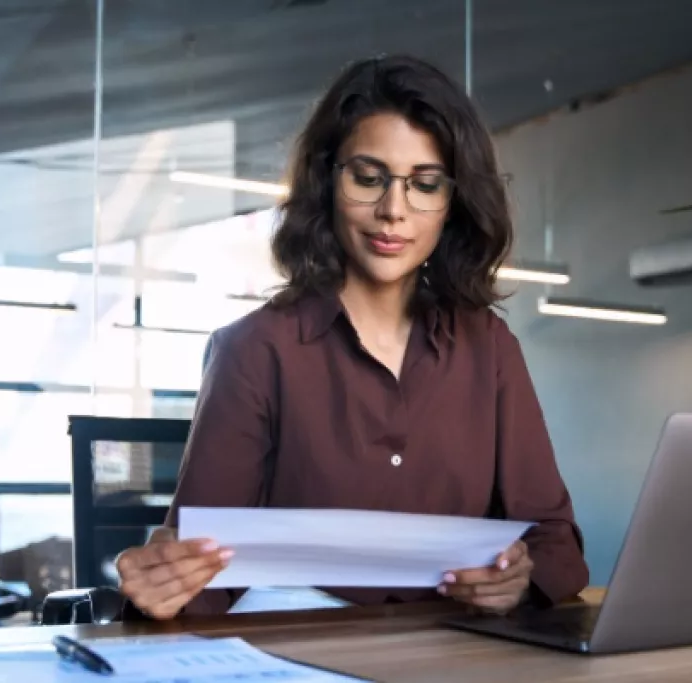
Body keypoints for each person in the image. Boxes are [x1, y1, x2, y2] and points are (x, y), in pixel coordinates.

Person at [116, 54, 588, 620]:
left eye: (426, 184)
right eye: (368, 178)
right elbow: (200, 574)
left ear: (452, 204)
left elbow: (557, 545)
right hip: (302, 652)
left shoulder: (489, 349)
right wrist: (163, 584)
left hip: (459, 656)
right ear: (326, 182)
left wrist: (519, 579)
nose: (394, 211)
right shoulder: (255, 351)